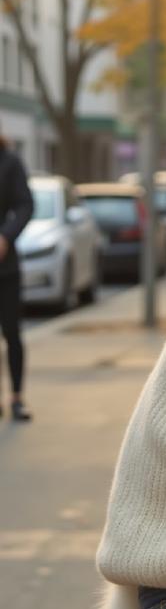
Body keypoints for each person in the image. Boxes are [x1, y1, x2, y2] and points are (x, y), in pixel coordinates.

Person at [0, 131, 33, 421]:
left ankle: (16, 398)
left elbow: (25, 204)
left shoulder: (9, 162)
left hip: (4, 266)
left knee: (12, 332)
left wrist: (6, 237)